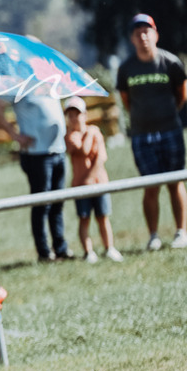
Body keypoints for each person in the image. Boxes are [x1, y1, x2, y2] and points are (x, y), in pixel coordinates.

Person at [116, 13, 187, 251]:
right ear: (132, 39)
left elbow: (182, 94)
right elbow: (126, 101)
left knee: (175, 181)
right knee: (150, 185)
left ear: (155, 34)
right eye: (138, 33)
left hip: (170, 130)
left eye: (147, 31)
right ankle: (153, 236)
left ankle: (181, 232)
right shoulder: (126, 69)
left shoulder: (171, 63)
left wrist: (166, 114)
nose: (143, 36)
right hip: (141, 134)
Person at [0, 90, 72, 261]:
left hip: (58, 151)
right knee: (42, 204)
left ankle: (60, 247)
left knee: (58, 203)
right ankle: (44, 252)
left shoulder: (49, 81)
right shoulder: (19, 85)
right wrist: (15, 135)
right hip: (37, 155)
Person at [64, 96, 123, 263]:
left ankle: (109, 247)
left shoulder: (94, 131)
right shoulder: (71, 136)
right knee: (84, 218)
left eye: (77, 114)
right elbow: (84, 150)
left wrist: (90, 178)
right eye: (70, 115)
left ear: (85, 114)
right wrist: (90, 134)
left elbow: (101, 157)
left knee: (103, 216)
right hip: (80, 186)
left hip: (99, 182)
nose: (74, 118)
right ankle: (88, 251)